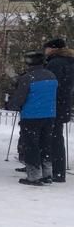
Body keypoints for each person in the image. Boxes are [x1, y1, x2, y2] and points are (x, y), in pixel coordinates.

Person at [8, 51, 58, 186]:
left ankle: (34, 176)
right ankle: (47, 174)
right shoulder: (52, 75)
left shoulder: (27, 77)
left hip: (31, 116)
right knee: (45, 144)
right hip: (49, 115)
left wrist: (12, 105)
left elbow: (20, 98)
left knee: (31, 145)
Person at [44, 38, 74, 183]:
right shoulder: (69, 61)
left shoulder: (55, 63)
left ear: (53, 49)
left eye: (47, 48)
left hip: (53, 104)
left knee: (52, 137)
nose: (45, 51)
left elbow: (51, 84)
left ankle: (56, 170)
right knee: (56, 136)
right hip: (63, 104)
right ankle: (57, 170)